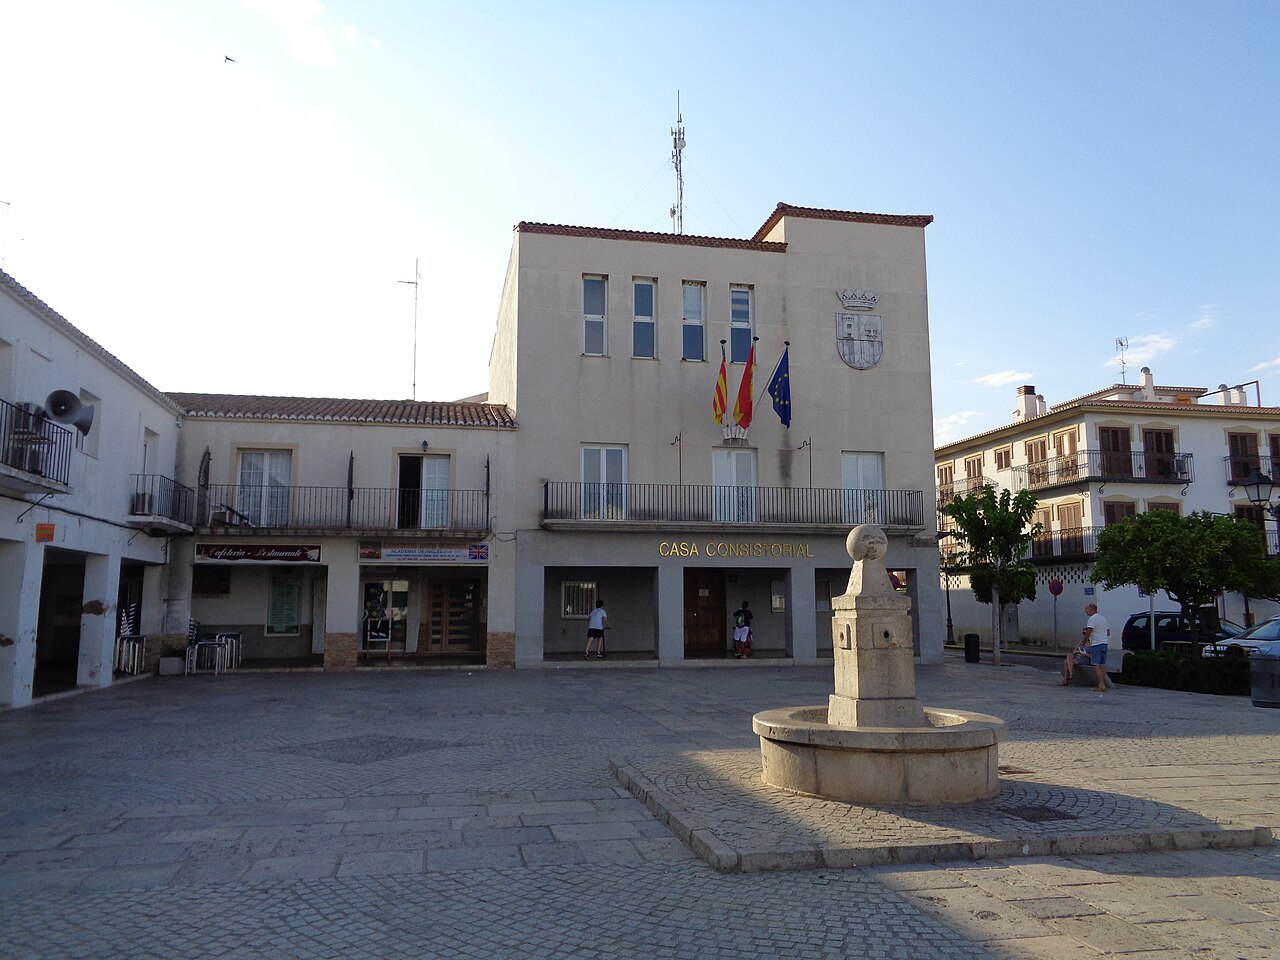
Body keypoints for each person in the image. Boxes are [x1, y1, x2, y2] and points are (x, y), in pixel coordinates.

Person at [1082, 602, 1111, 691]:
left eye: (1087, 609)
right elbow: (1108, 632)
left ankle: (1101, 685)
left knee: (1096, 665)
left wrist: (1084, 641)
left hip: (1096, 644)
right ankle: (1103, 684)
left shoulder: (1092, 619)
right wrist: (1102, 636)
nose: (1085, 611)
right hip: (1104, 643)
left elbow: (1089, 631)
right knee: (1102, 664)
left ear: (1091, 609)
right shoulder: (1103, 618)